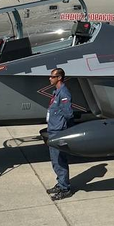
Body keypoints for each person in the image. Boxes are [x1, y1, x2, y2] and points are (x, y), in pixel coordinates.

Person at [46, 68, 74, 200]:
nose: (50, 78)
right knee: (55, 160)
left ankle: (65, 189)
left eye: (52, 77)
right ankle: (60, 183)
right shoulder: (56, 92)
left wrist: (63, 128)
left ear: (59, 78)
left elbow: (68, 114)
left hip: (58, 131)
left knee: (59, 160)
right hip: (53, 129)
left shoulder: (63, 93)